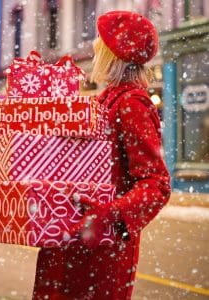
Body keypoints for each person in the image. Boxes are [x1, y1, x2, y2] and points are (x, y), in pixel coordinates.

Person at [32, 11, 171, 300]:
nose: (95, 51)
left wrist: (108, 216)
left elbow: (156, 183)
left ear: (113, 55)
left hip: (100, 249)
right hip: (71, 239)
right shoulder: (104, 100)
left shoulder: (132, 102)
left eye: (100, 46)